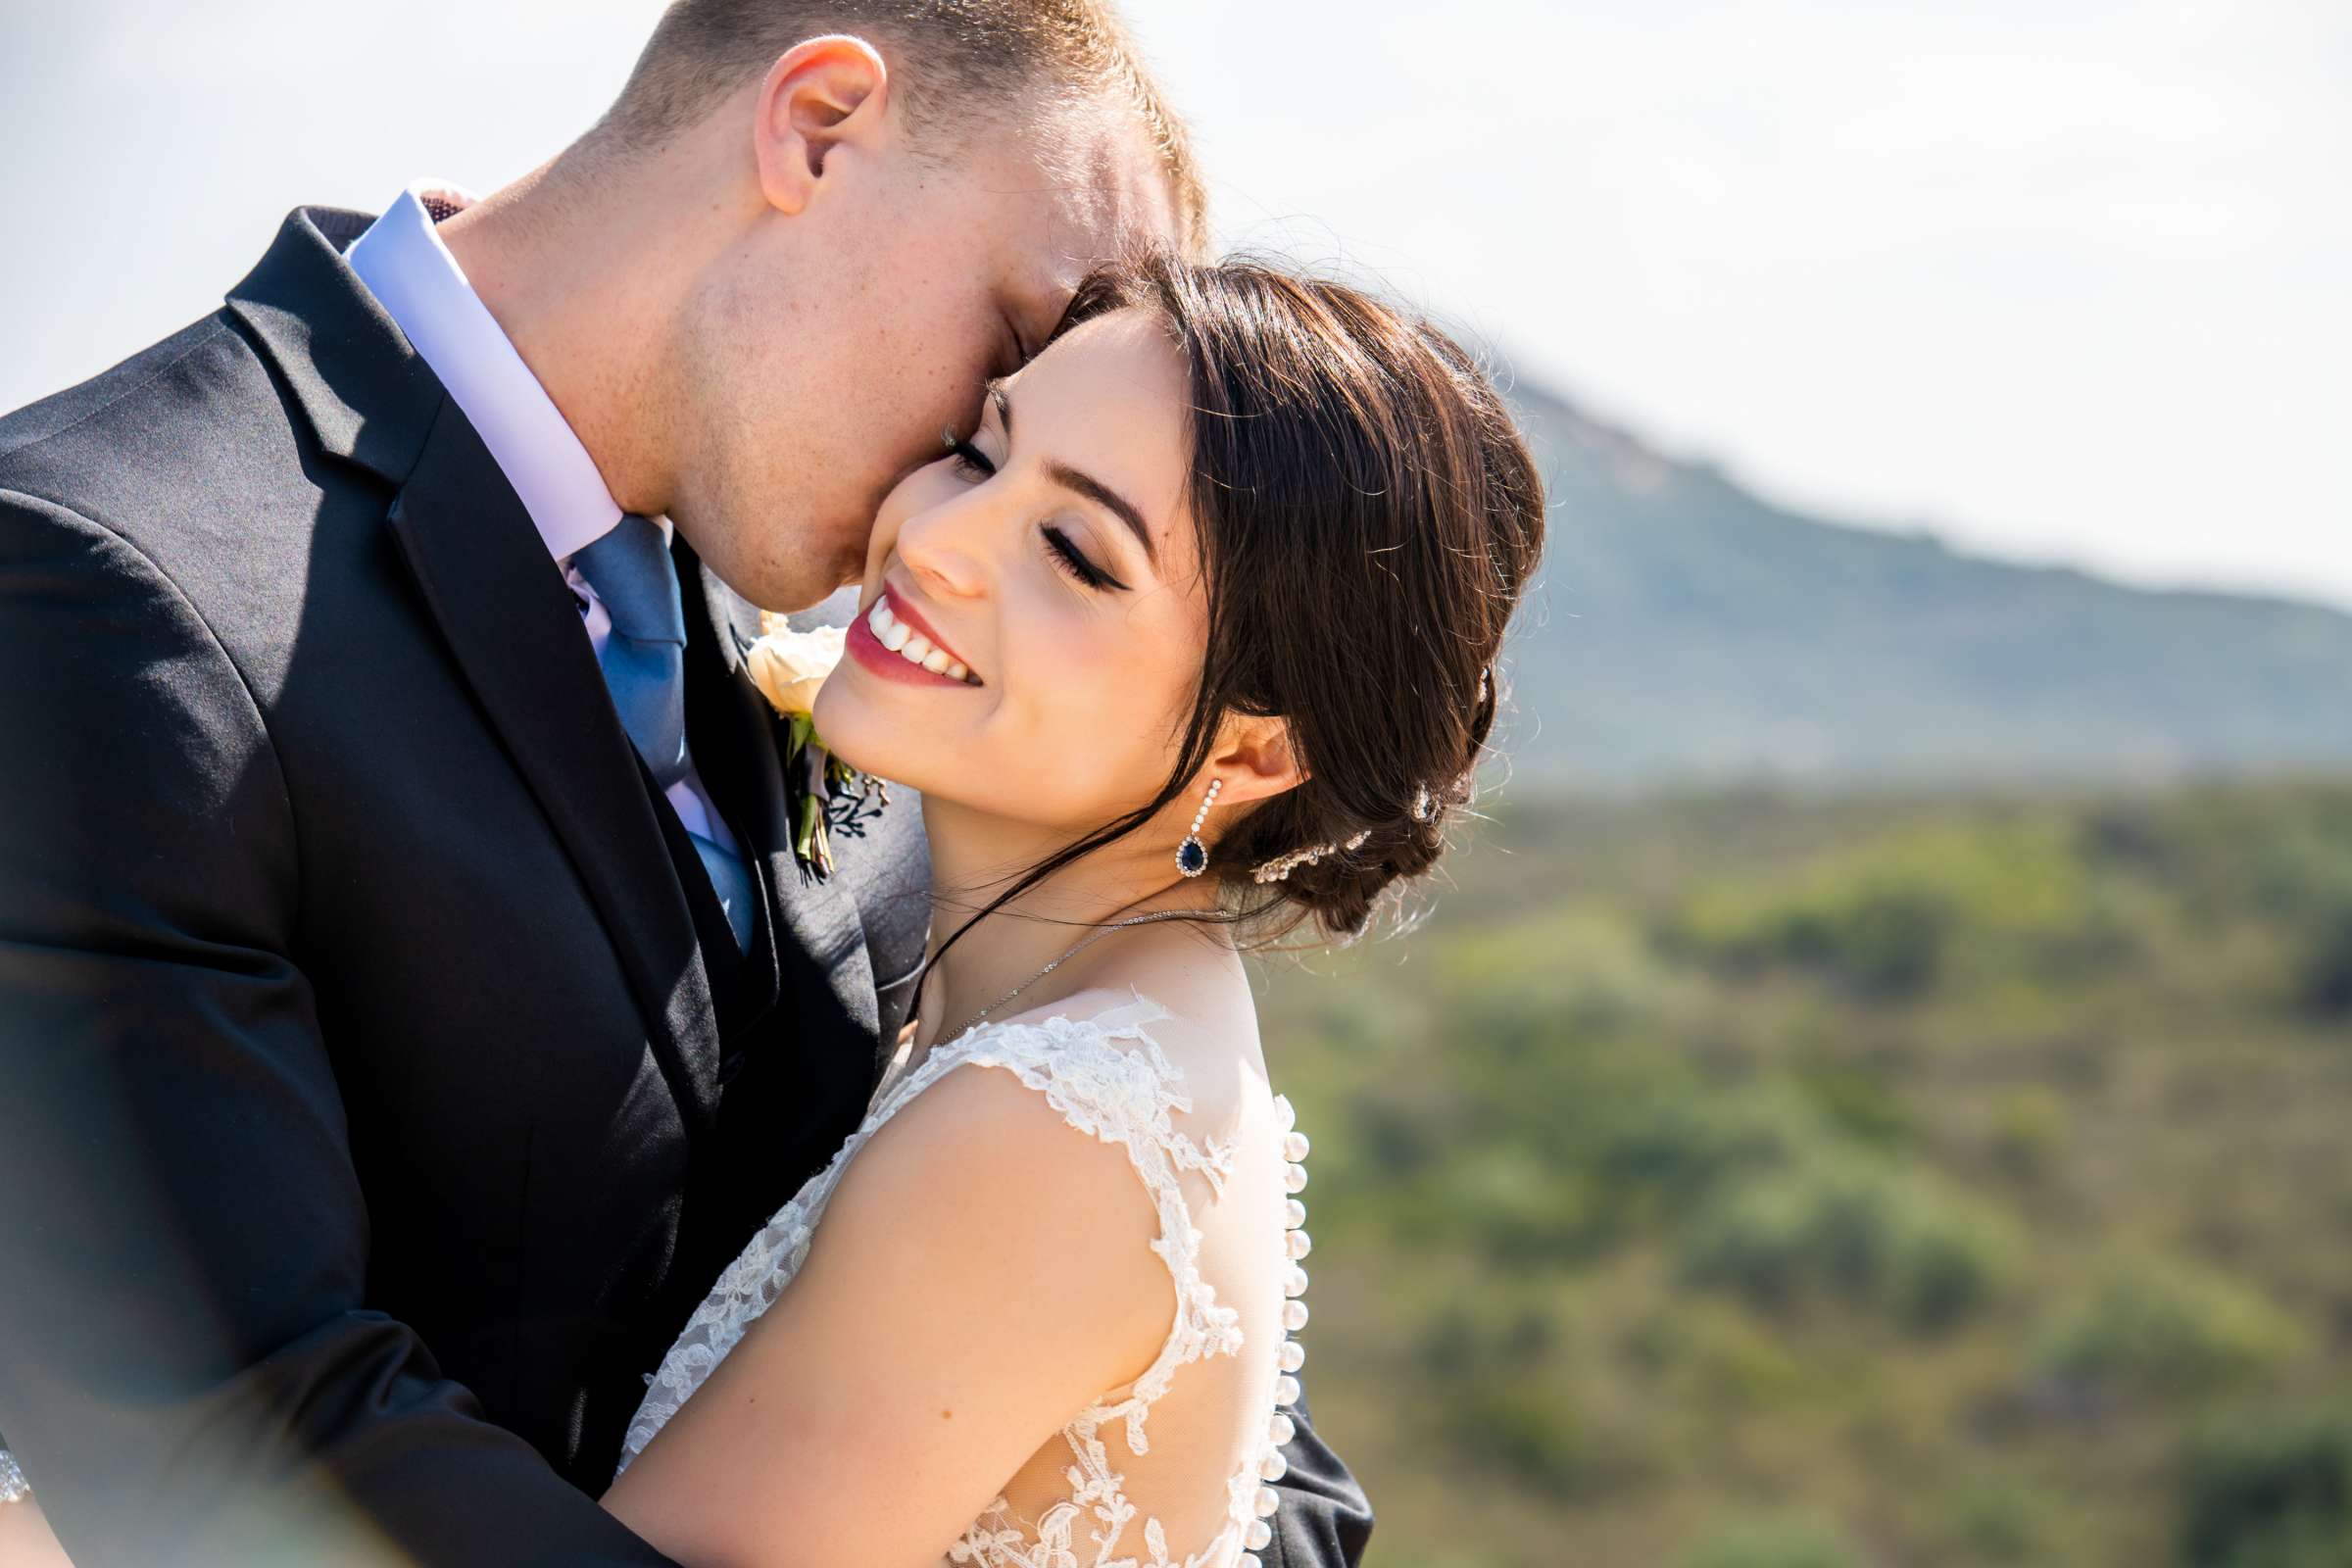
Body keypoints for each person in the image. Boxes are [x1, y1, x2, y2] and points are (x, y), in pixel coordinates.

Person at [0, 4, 1370, 1564]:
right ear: (819, 126)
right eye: (1005, 361)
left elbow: (1161, 1357)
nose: (949, 507)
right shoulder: (102, 583)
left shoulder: (861, 665)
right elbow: (233, 1431)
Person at [596, 255, 1547, 1566]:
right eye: (982, 454)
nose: (933, 541)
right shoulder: (1124, 1036)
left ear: (1262, 752)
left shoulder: (1051, 1128)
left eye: (1071, 552)